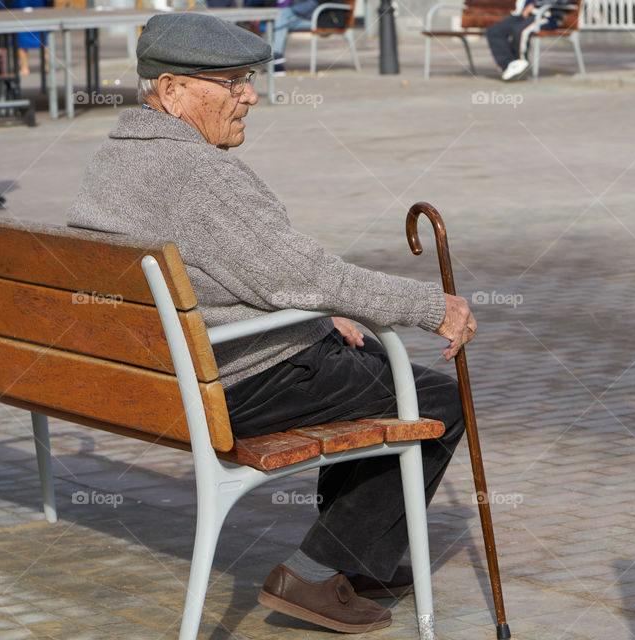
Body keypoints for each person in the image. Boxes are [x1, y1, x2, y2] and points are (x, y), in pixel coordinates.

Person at [66, 13, 473, 634]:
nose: (250, 96)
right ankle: (316, 572)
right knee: (437, 397)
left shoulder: (113, 159)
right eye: (232, 82)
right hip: (235, 382)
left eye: (248, 79)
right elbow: (302, 272)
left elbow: (259, 273)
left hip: (155, 380)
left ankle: (355, 561)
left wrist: (310, 303)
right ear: (172, 90)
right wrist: (430, 308)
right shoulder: (196, 173)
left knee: (367, 373)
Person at [487, 0, 561, 81]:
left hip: (544, 15)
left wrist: (535, 4)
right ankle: (508, 65)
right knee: (494, 31)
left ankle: (521, 61)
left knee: (520, 30)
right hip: (520, 15)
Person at [272, 0, 349, 75]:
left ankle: (276, 61)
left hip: (327, 21)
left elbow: (309, 6)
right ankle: (277, 60)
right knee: (282, 20)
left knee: (283, 16)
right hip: (315, 17)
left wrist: (291, 9)